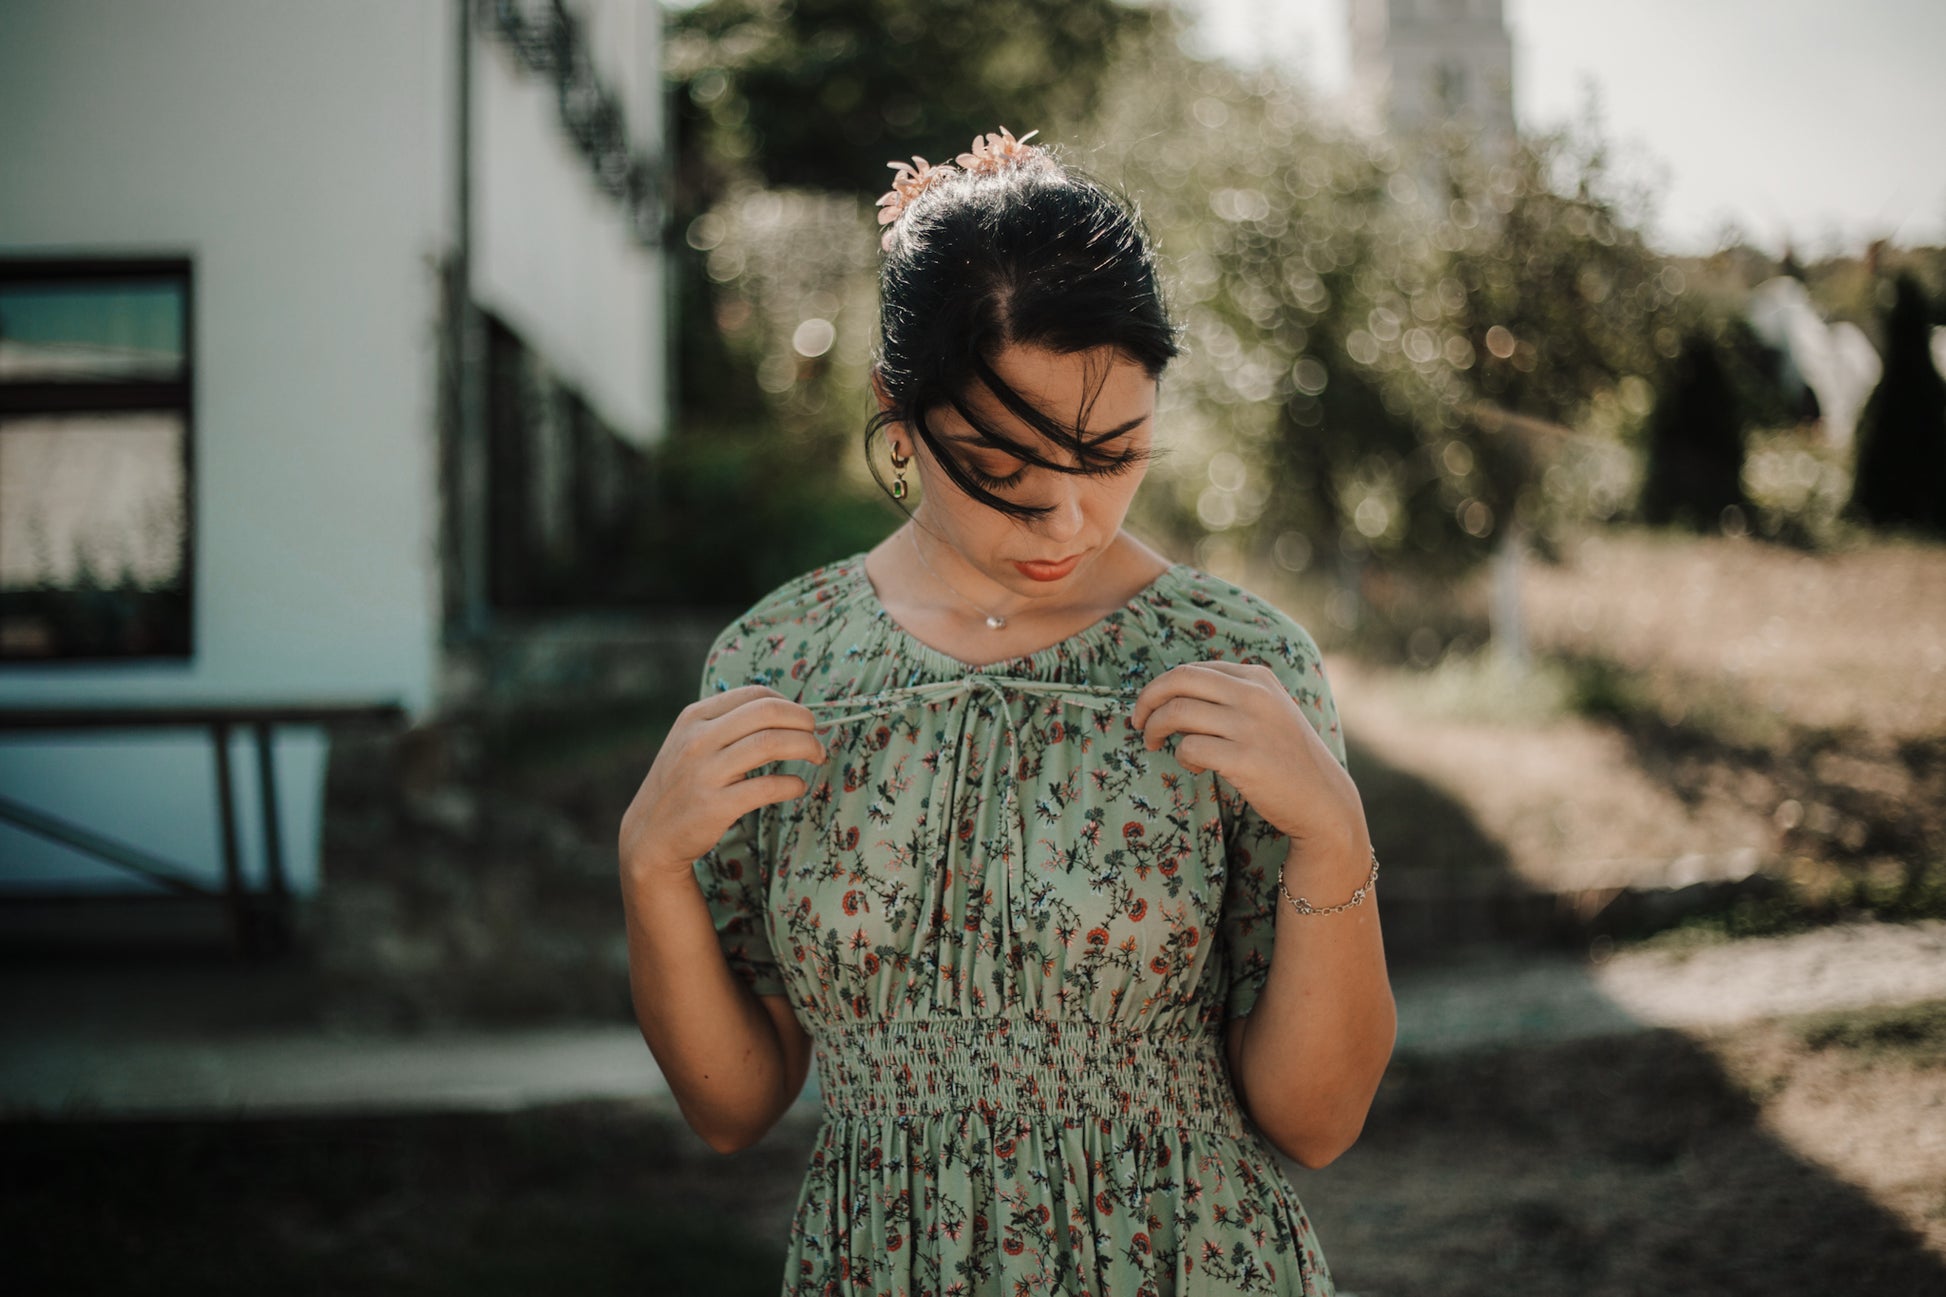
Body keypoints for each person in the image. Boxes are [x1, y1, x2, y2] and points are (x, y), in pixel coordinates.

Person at [618, 127, 1396, 1296]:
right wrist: (648, 867)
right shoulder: (779, 661)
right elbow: (732, 1106)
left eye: (1114, 453)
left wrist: (1334, 834)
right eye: (1003, 463)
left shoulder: (1239, 660)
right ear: (897, 406)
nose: (1070, 518)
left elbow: (1318, 1123)